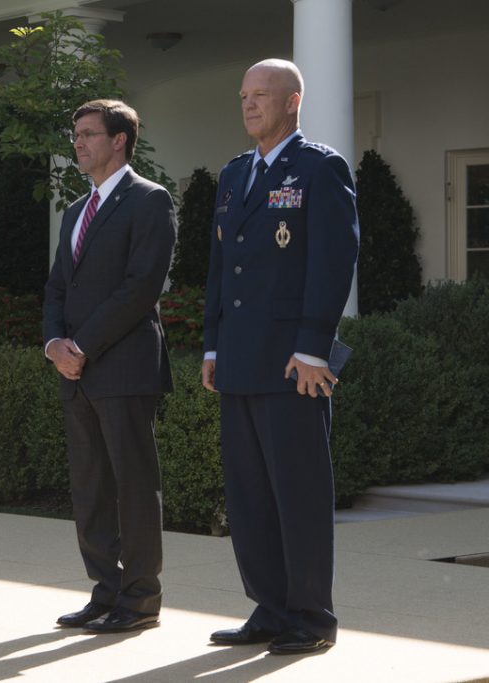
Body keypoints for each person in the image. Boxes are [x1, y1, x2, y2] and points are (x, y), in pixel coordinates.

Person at [202, 59, 360, 654]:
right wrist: (213, 343)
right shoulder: (235, 173)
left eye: (261, 95)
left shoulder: (320, 167)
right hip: (240, 356)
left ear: (292, 101)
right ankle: (269, 608)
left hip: (294, 363)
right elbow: (222, 266)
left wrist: (314, 347)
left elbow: (333, 259)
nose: (248, 105)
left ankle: (311, 618)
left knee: (298, 494)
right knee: (249, 495)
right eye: (244, 95)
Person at [43, 99, 176, 633]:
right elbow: (57, 285)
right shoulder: (75, 211)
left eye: (88, 134)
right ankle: (106, 590)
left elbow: (141, 286)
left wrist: (83, 346)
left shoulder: (150, 200)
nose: (78, 142)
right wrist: (55, 343)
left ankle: (140, 601)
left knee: (133, 486)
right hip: (76, 372)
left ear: (119, 140)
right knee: (91, 487)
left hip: (122, 368)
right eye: (76, 134)